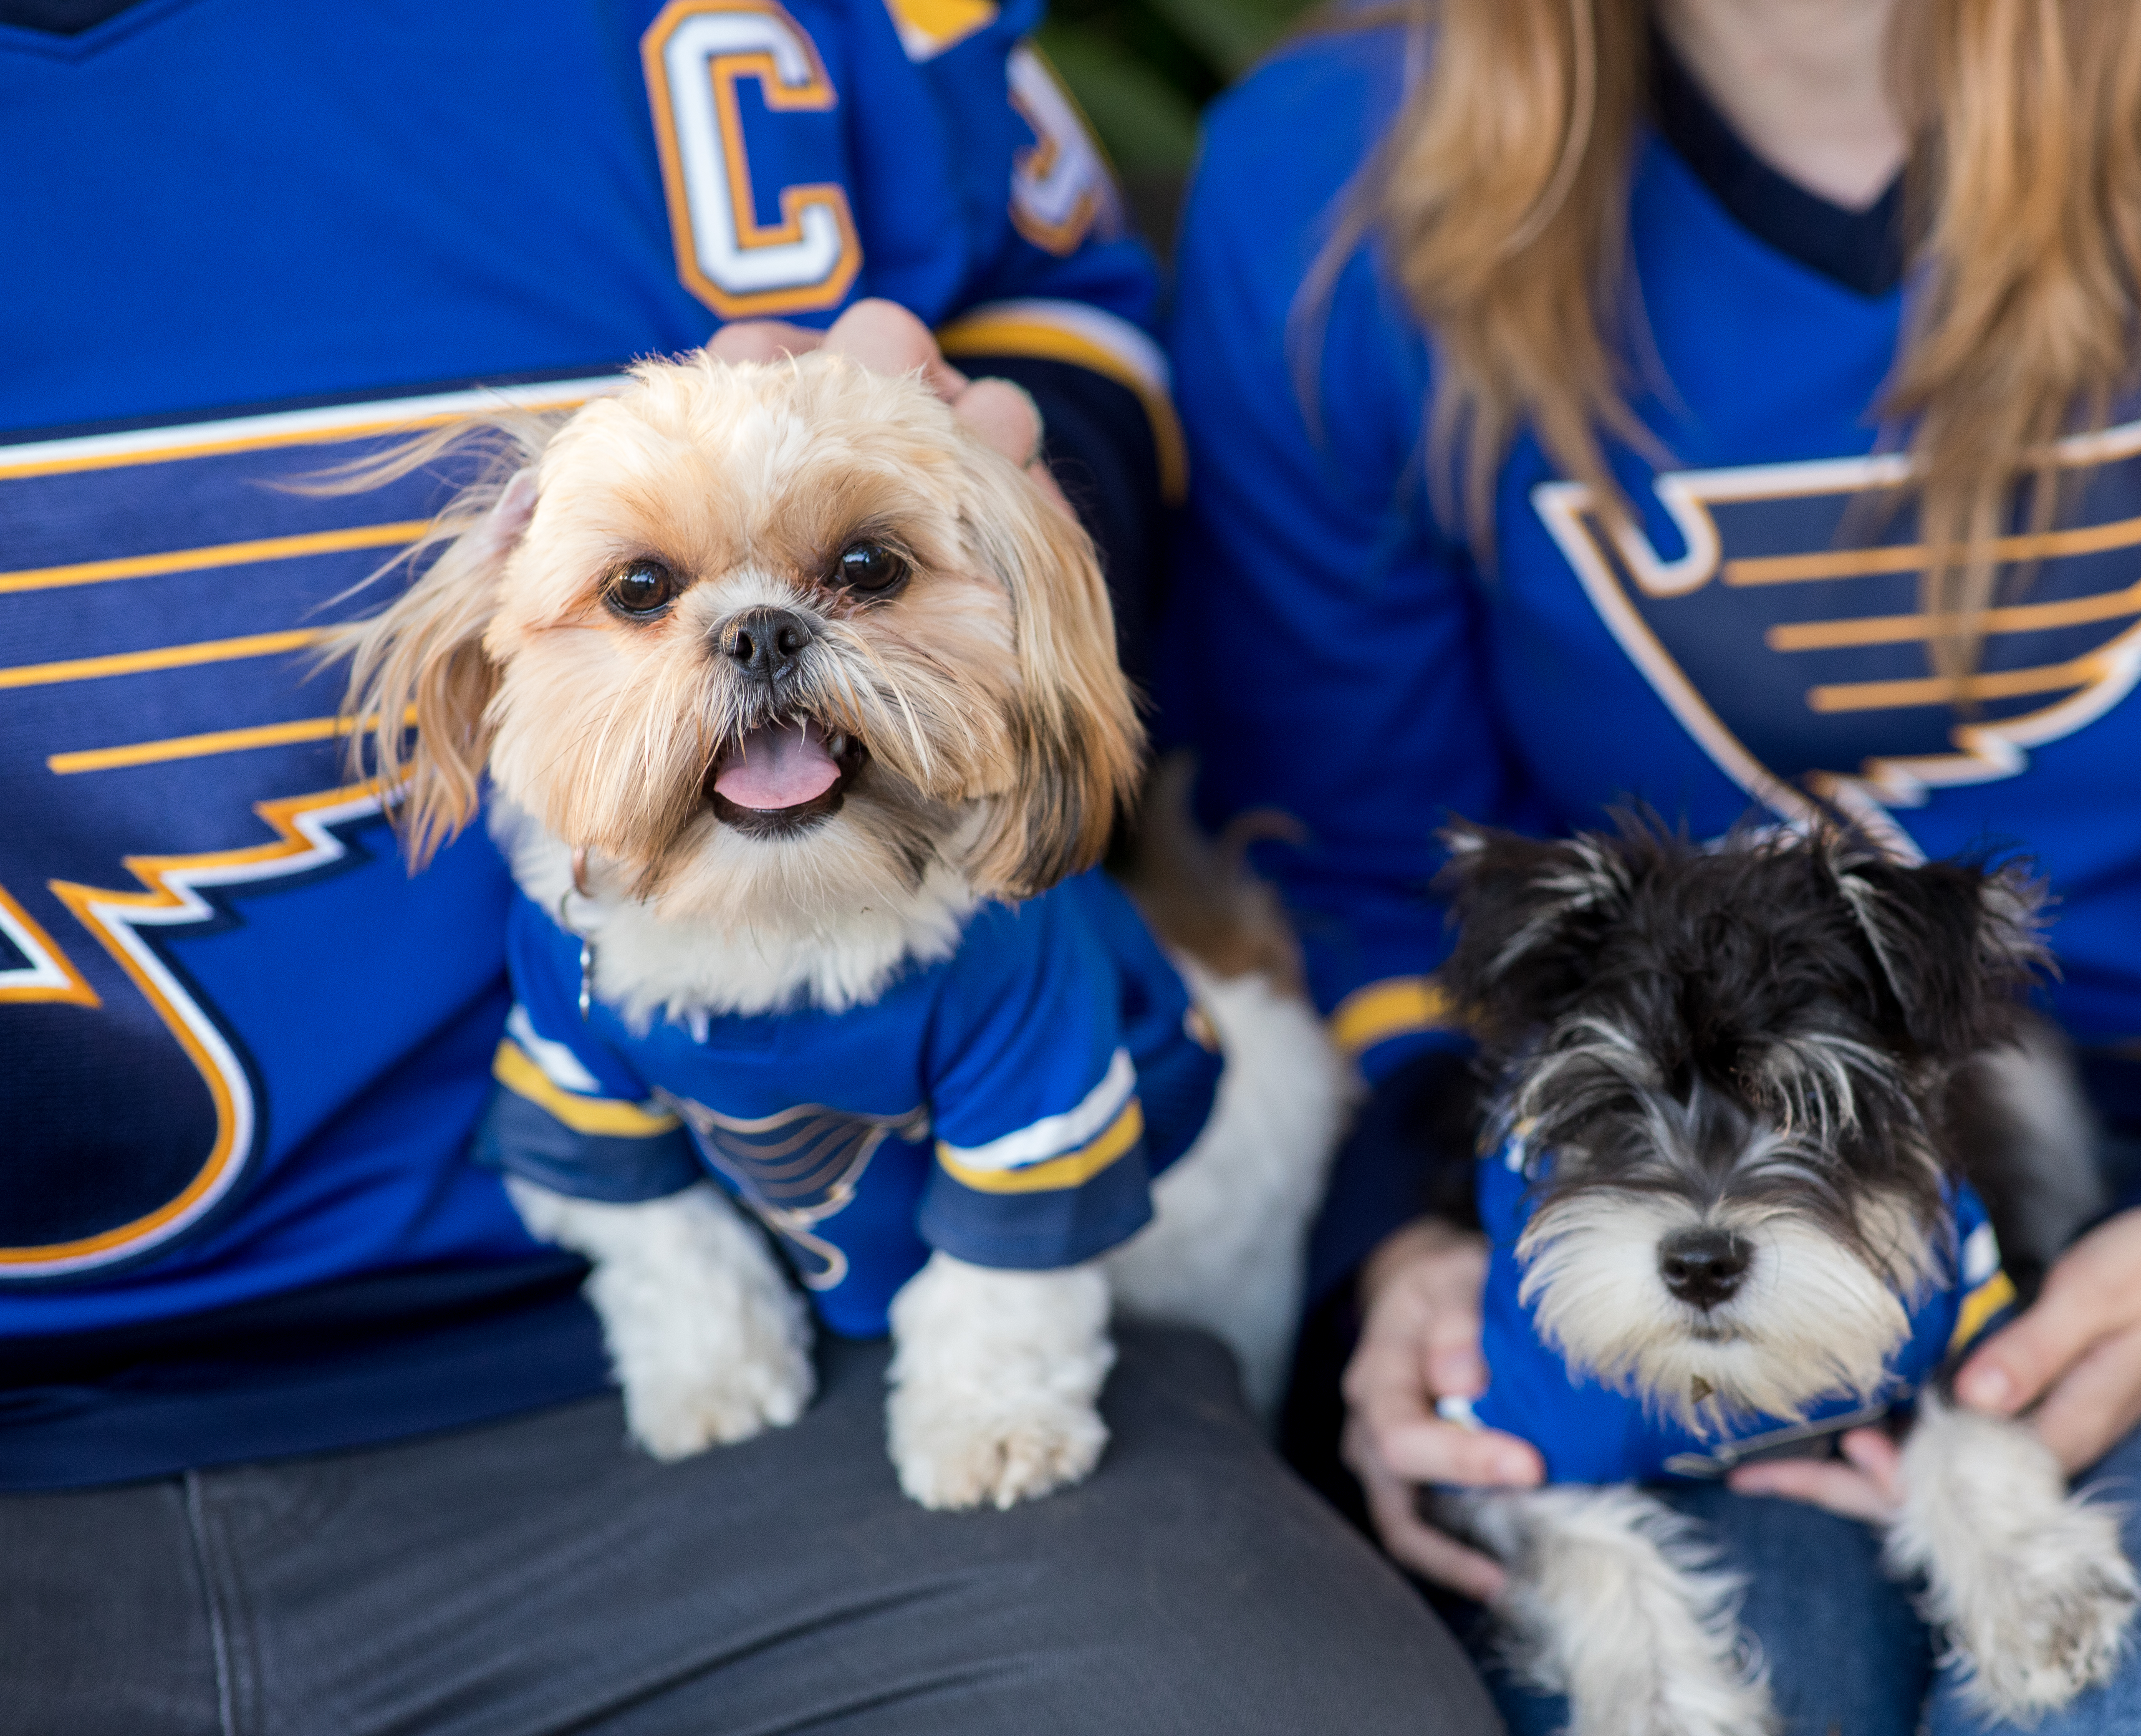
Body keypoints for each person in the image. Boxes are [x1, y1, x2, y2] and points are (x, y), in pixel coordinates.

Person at [0, 2, 1499, 1730]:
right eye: (645, 597)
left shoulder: (842, 32)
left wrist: (999, 494)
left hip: (742, 1380)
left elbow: (1076, 341)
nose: (759, 638)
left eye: (851, 571)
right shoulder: (562, 942)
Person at [1162, 0, 2141, 1728]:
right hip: (1697, 1152)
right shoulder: (1329, 183)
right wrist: (1414, 1253)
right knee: (1676, 1694)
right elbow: (1364, 869)